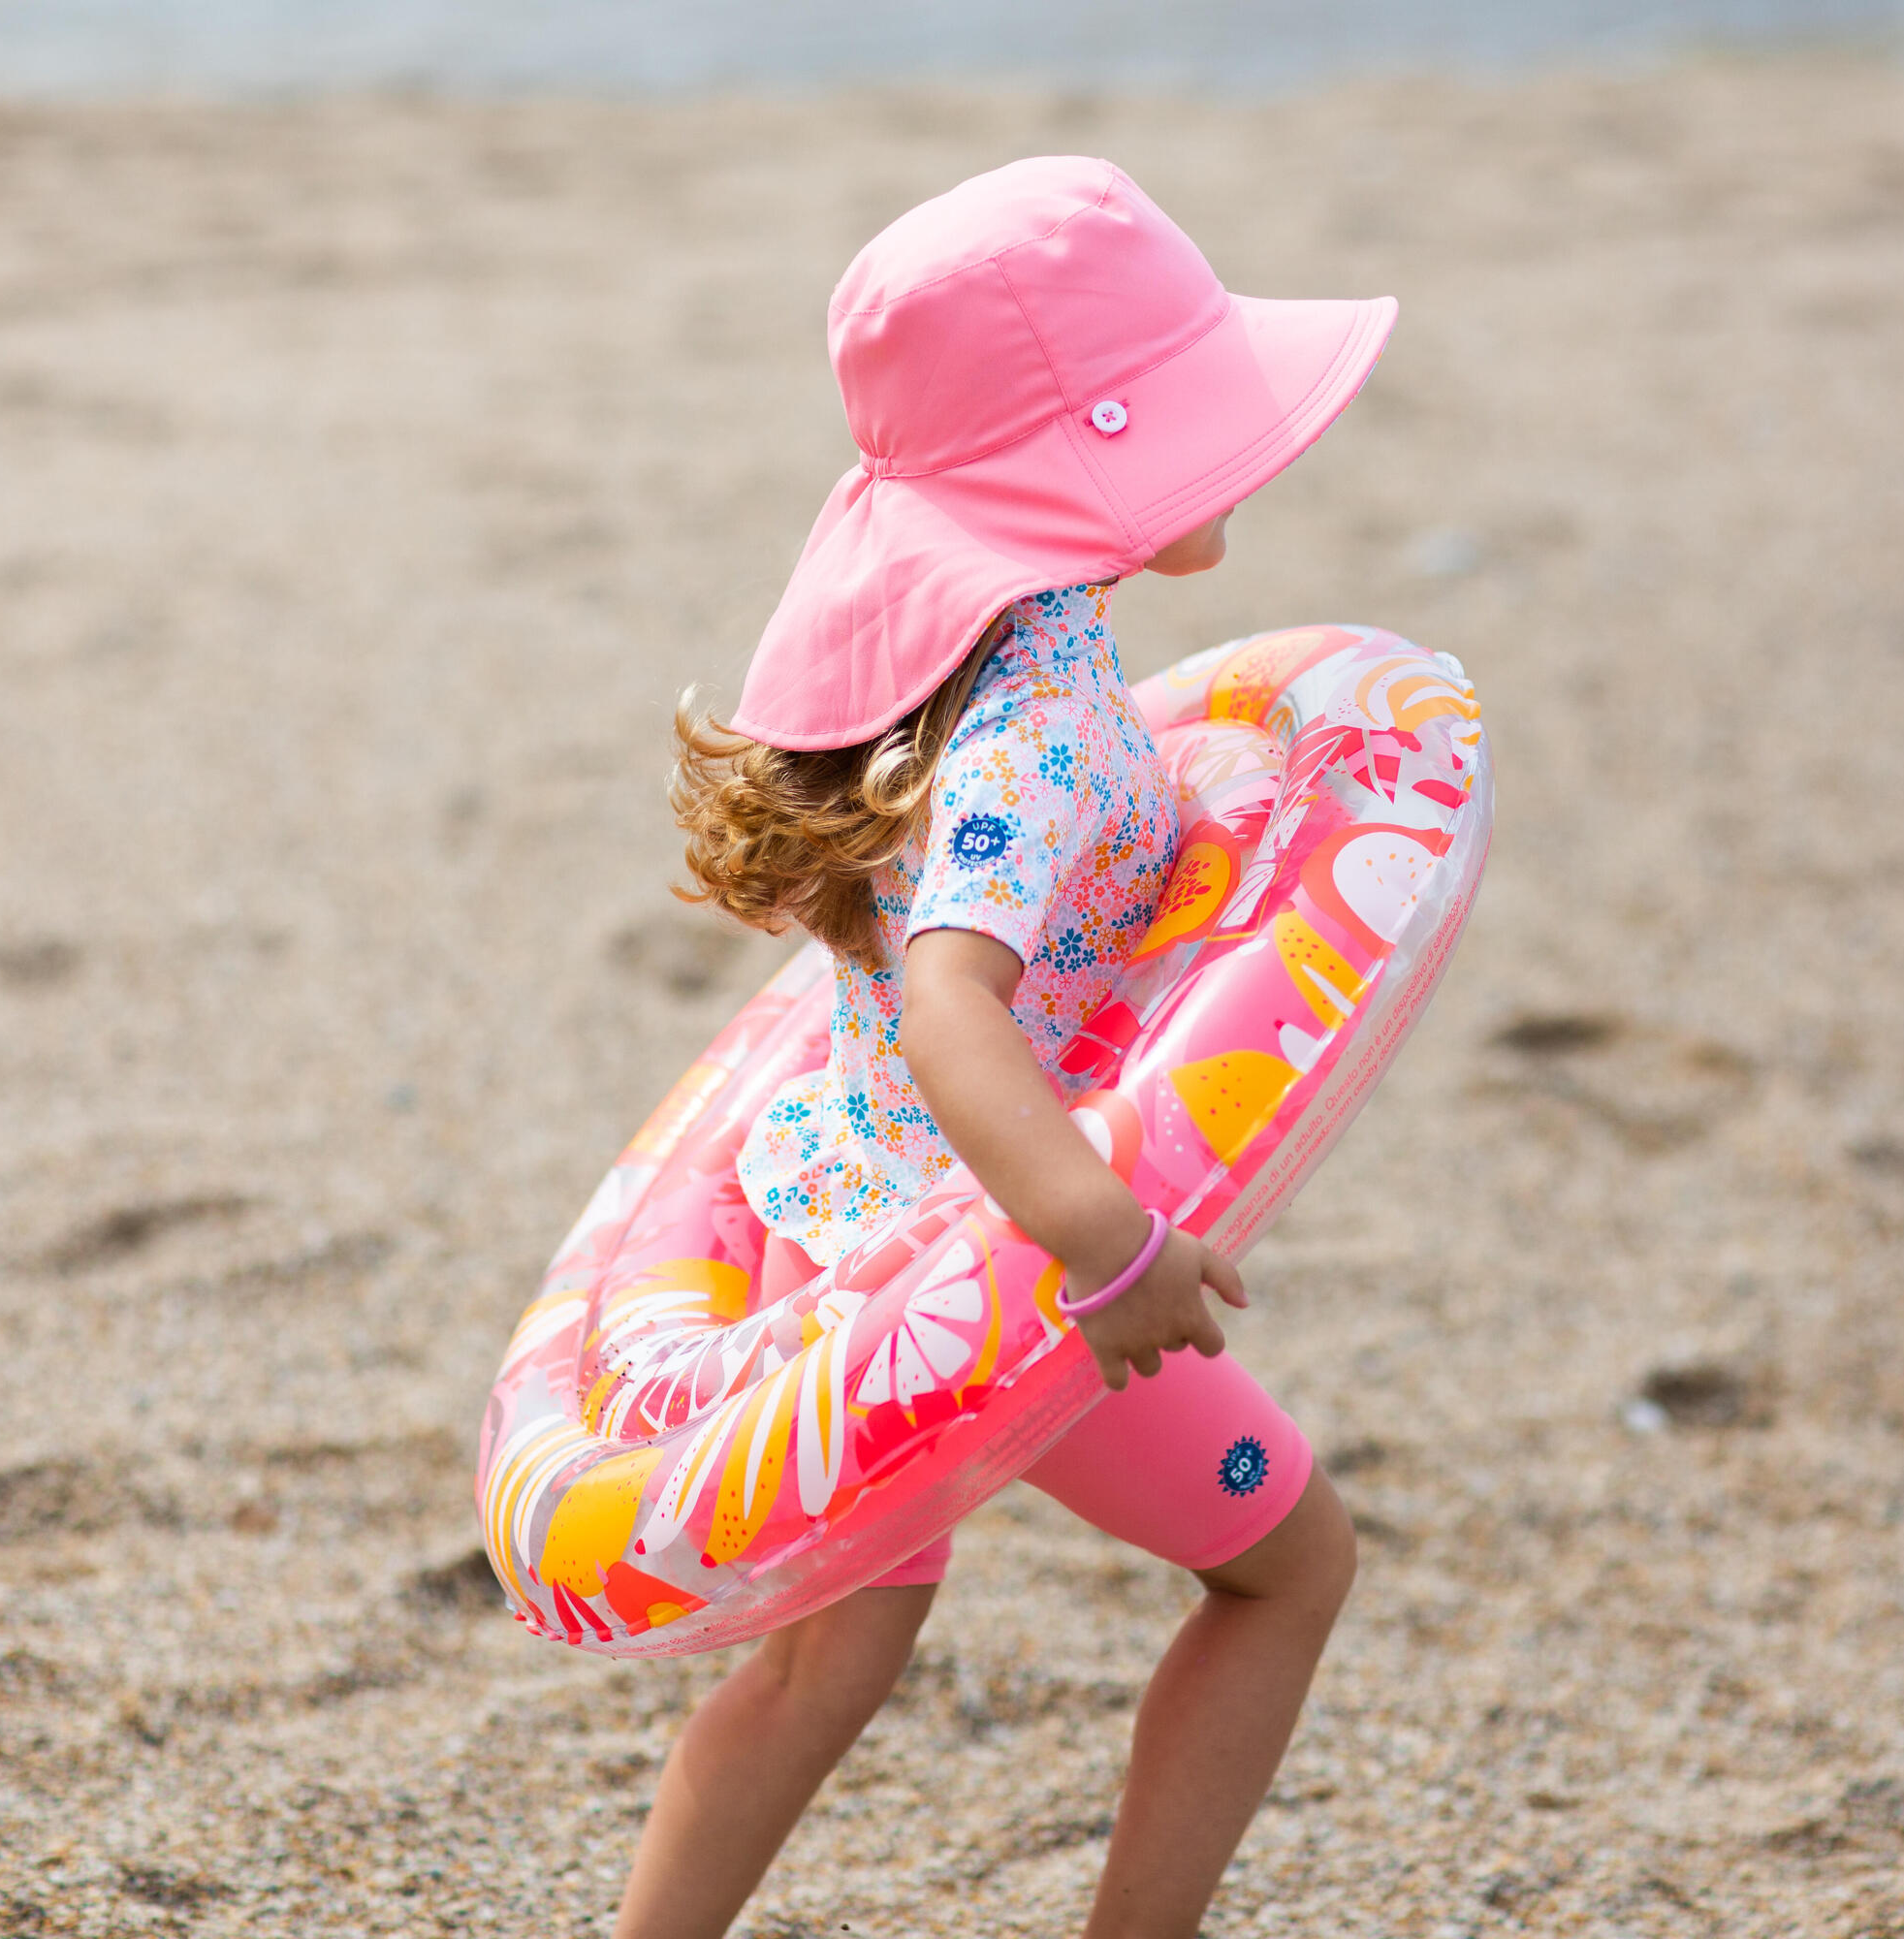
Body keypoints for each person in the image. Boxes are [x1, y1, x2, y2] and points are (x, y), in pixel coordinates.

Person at [622, 155, 1396, 1939]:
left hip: (849, 1211)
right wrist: (1104, 1244)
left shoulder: (976, 652)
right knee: (1291, 1570)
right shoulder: (1035, 734)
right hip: (985, 1262)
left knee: (830, 1671)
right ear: (1082, 463)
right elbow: (963, 999)